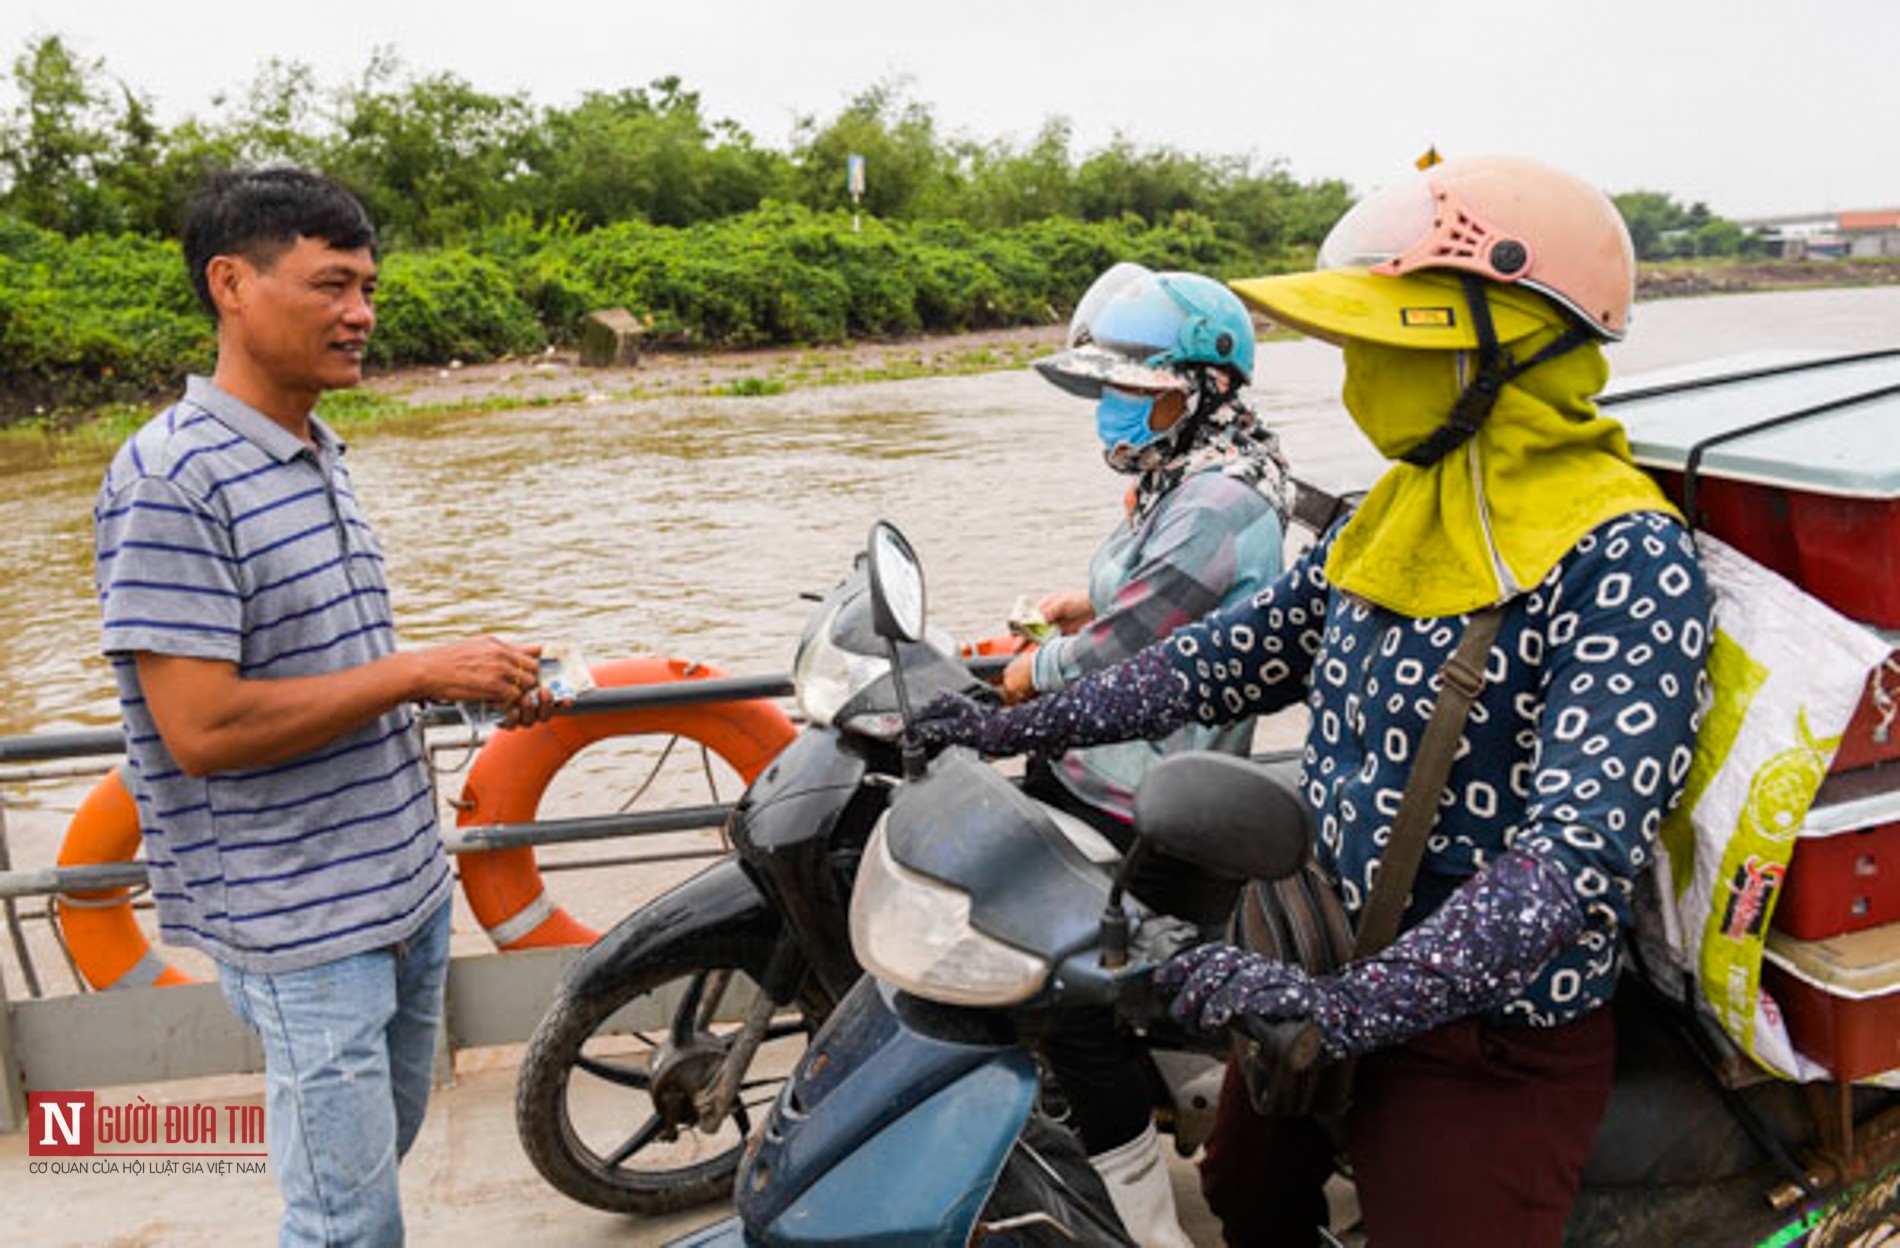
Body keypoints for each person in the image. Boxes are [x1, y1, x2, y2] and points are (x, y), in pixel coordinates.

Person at [914, 155, 1713, 1248]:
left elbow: (1570, 865)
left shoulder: (1625, 559)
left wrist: (1348, 1013)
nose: (1356, 377)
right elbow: (1217, 661)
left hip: (1487, 1031)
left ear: (1505, 350)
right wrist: (1006, 723)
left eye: (1387, 348)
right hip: (1319, 951)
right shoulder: (1388, 512)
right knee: (1247, 1198)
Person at [92, 167, 559, 1247]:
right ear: (231, 285)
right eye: (332, 285)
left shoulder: (311, 448)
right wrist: (416, 671)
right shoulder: (172, 480)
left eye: (370, 288)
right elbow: (201, 731)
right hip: (303, 924)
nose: (362, 315)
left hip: (403, 892)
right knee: (345, 1222)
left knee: (368, 1175)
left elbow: (324, 667)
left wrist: (468, 678)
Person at [1006, 263, 1292, 1247]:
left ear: (1203, 389)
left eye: (1138, 391)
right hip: (1094, 762)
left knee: (1069, 1001)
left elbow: (1129, 646)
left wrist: (1024, 672)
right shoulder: (1179, 473)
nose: (1114, 412)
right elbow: (1147, 597)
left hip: (1147, 793)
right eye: (1110, 392)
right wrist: (1080, 601)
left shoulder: (1220, 496)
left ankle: (1144, 1228)